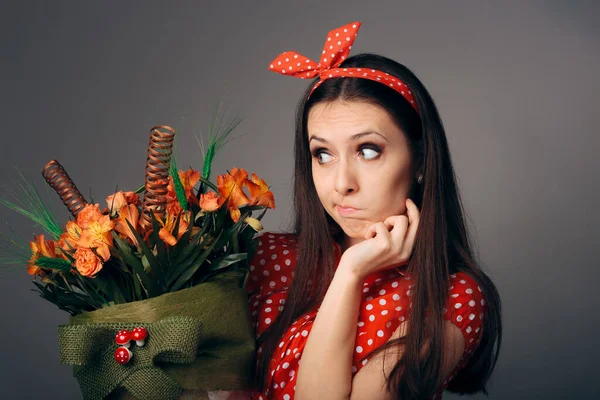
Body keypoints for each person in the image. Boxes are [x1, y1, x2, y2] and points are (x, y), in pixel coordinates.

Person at [238, 21, 502, 400]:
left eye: (367, 150)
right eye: (323, 154)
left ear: (422, 160)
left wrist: (351, 272)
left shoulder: (451, 296)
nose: (341, 182)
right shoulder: (269, 257)